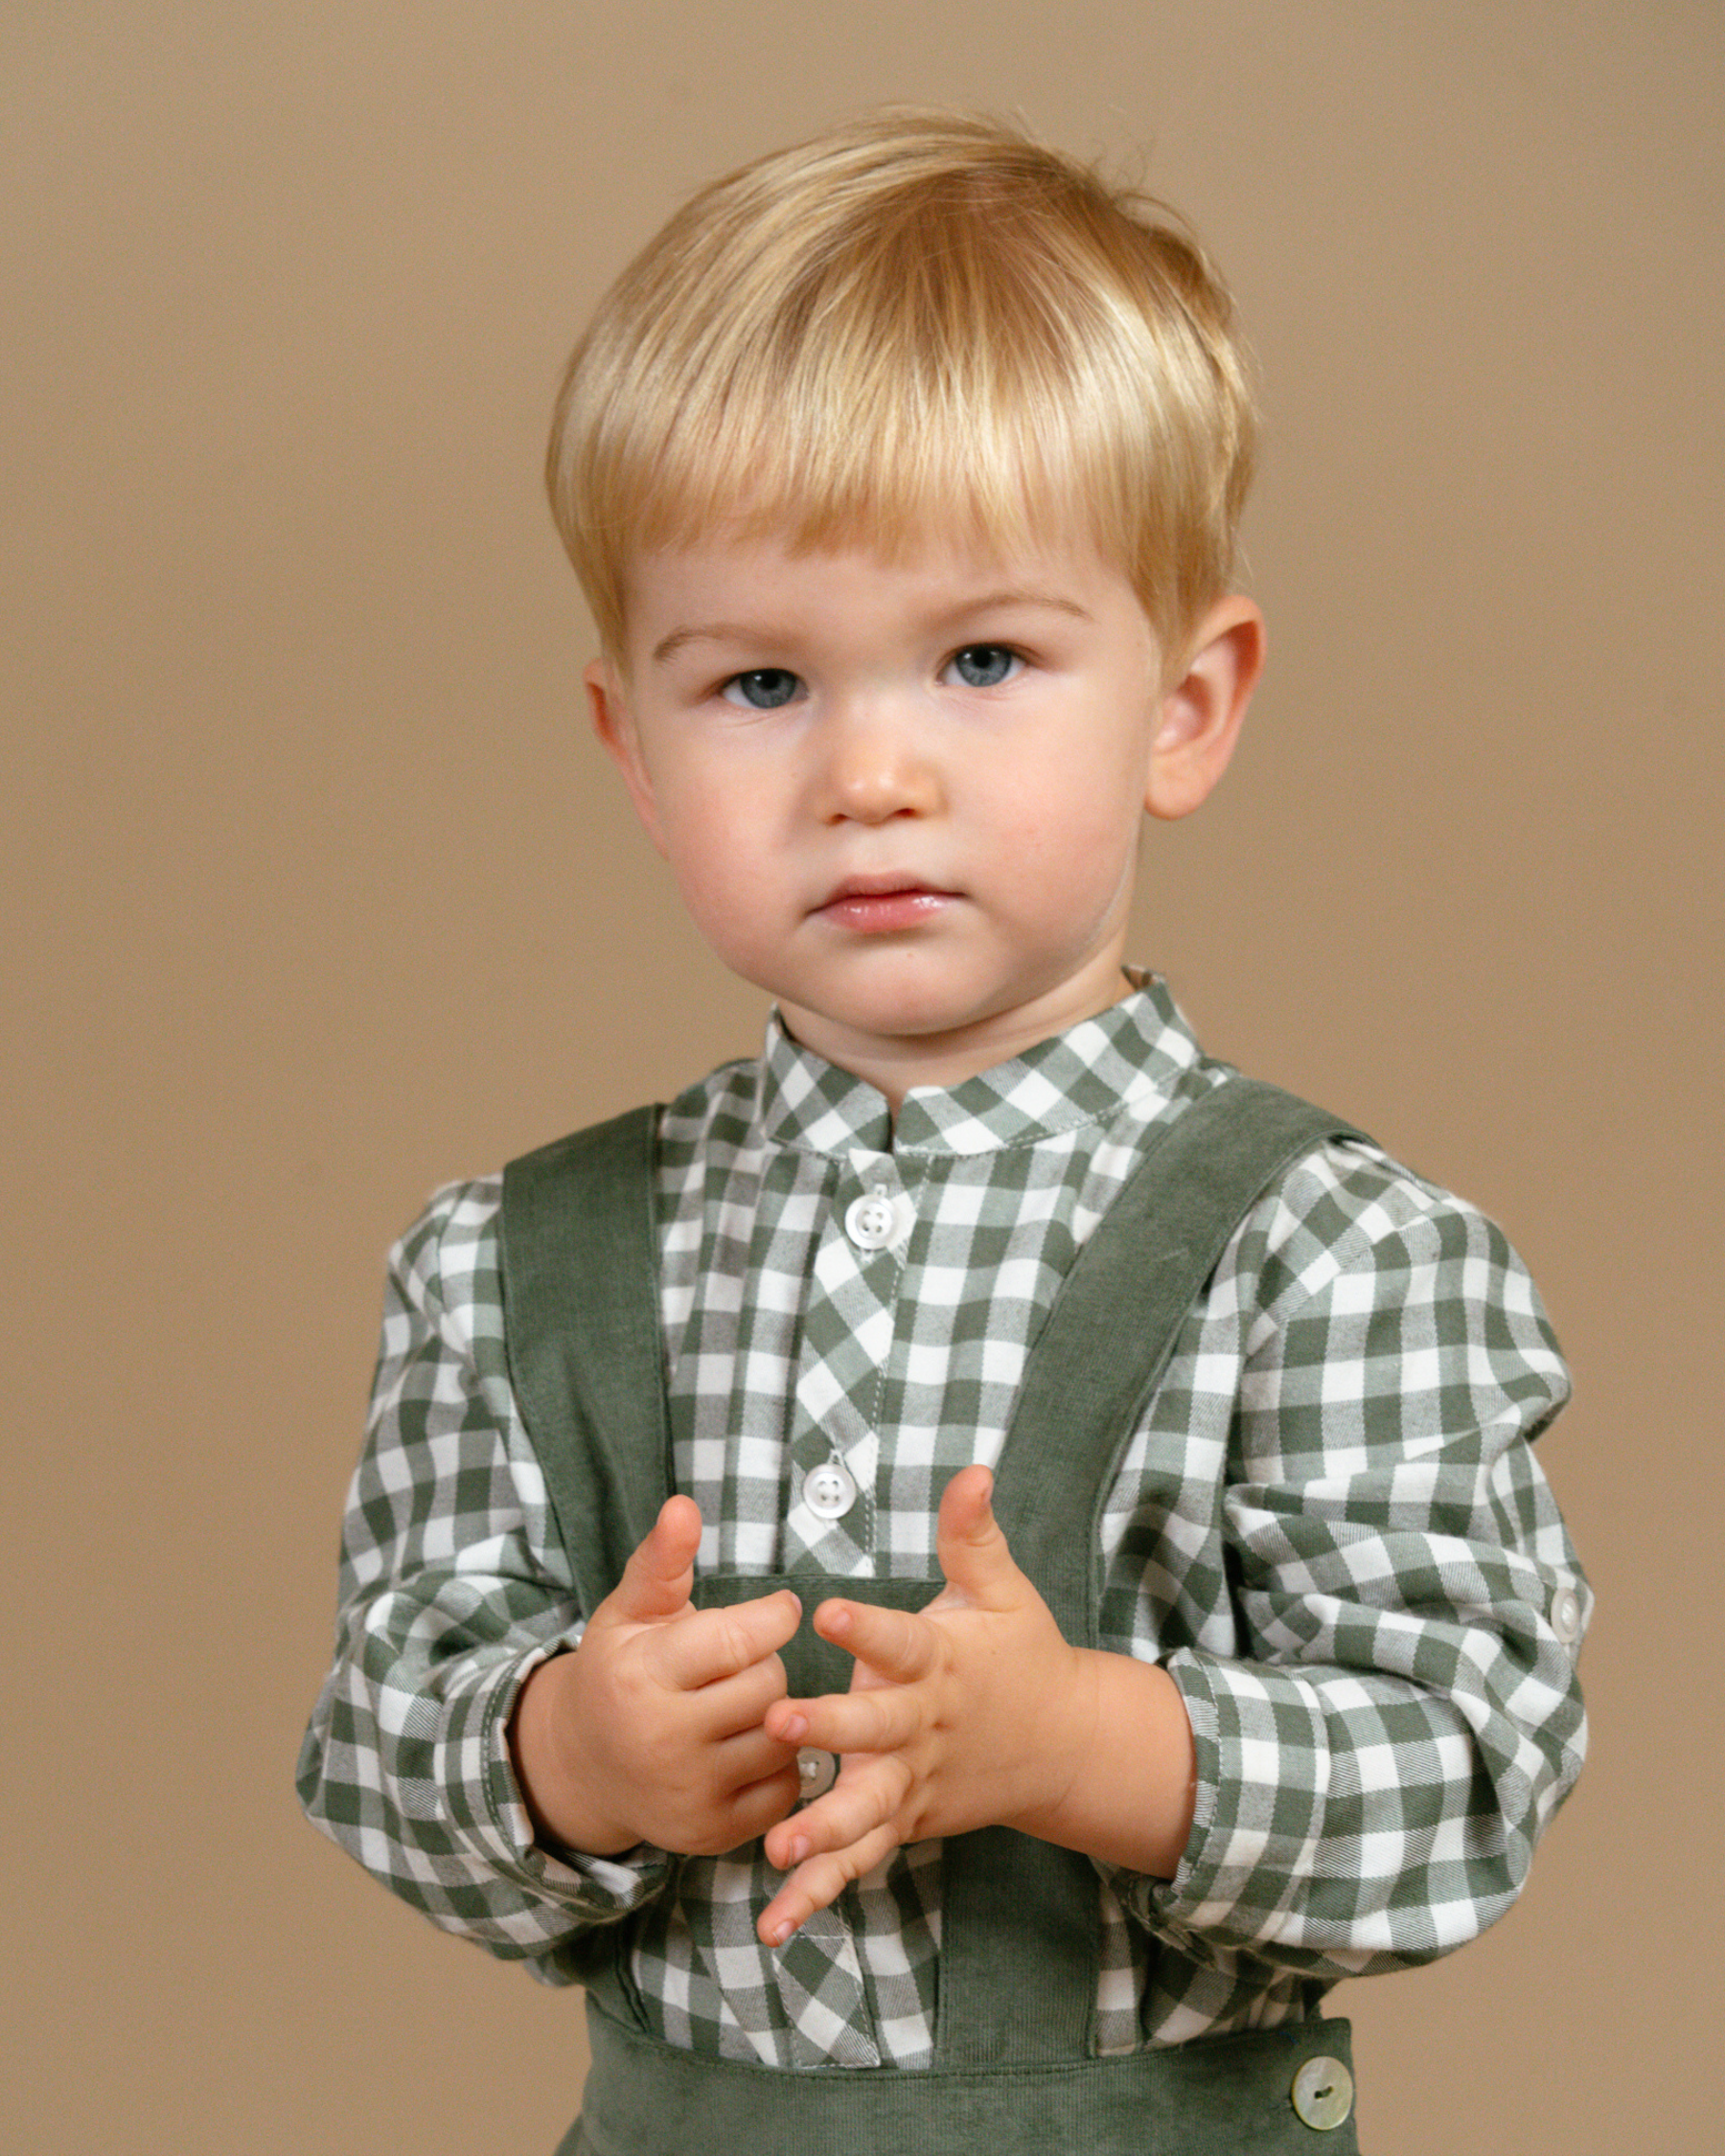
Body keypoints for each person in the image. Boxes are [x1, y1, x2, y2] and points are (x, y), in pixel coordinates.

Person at [297, 111, 1589, 2154]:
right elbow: (384, 1746)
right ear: (632, 743)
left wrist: (1084, 1740)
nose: (870, 771)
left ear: (1185, 703)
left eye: (983, 659)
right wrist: (569, 1754)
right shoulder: (514, 1262)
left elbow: (1463, 1786)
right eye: (759, 685)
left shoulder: (1332, 1252)